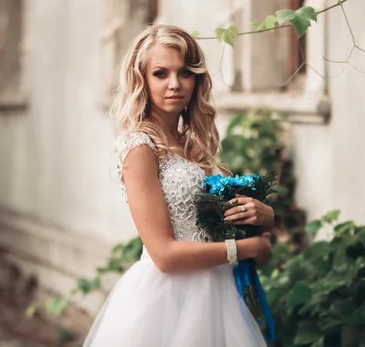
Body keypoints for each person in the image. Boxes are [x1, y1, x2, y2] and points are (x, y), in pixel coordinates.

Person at [84, 24, 275, 346]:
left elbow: (215, 231)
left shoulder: (192, 144)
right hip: (168, 300)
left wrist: (262, 217)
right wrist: (245, 248)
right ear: (141, 79)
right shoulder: (140, 147)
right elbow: (164, 254)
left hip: (217, 289)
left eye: (185, 73)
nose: (175, 85)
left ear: (197, 79)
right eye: (161, 73)